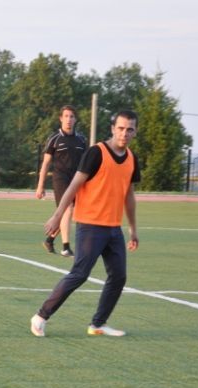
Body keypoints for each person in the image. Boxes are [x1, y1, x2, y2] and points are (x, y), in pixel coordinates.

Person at [29, 110, 141, 339]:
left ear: (135, 132)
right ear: (112, 128)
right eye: (120, 128)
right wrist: (58, 215)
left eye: (130, 129)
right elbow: (74, 185)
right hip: (90, 225)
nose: (125, 133)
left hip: (113, 228)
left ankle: (98, 324)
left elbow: (129, 195)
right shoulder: (96, 153)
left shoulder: (131, 159)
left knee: (119, 276)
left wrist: (133, 229)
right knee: (80, 274)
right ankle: (40, 316)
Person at [36, 105, 88, 257]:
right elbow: (45, 163)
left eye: (72, 116)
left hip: (77, 180)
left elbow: (86, 163)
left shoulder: (81, 139)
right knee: (68, 209)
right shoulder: (54, 139)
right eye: (66, 116)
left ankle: (50, 240)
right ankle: (66, 247)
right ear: (61, 118)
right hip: (60, 179)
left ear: (75, 119)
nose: (69, 119)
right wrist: (40, 186)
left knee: (67, 214)